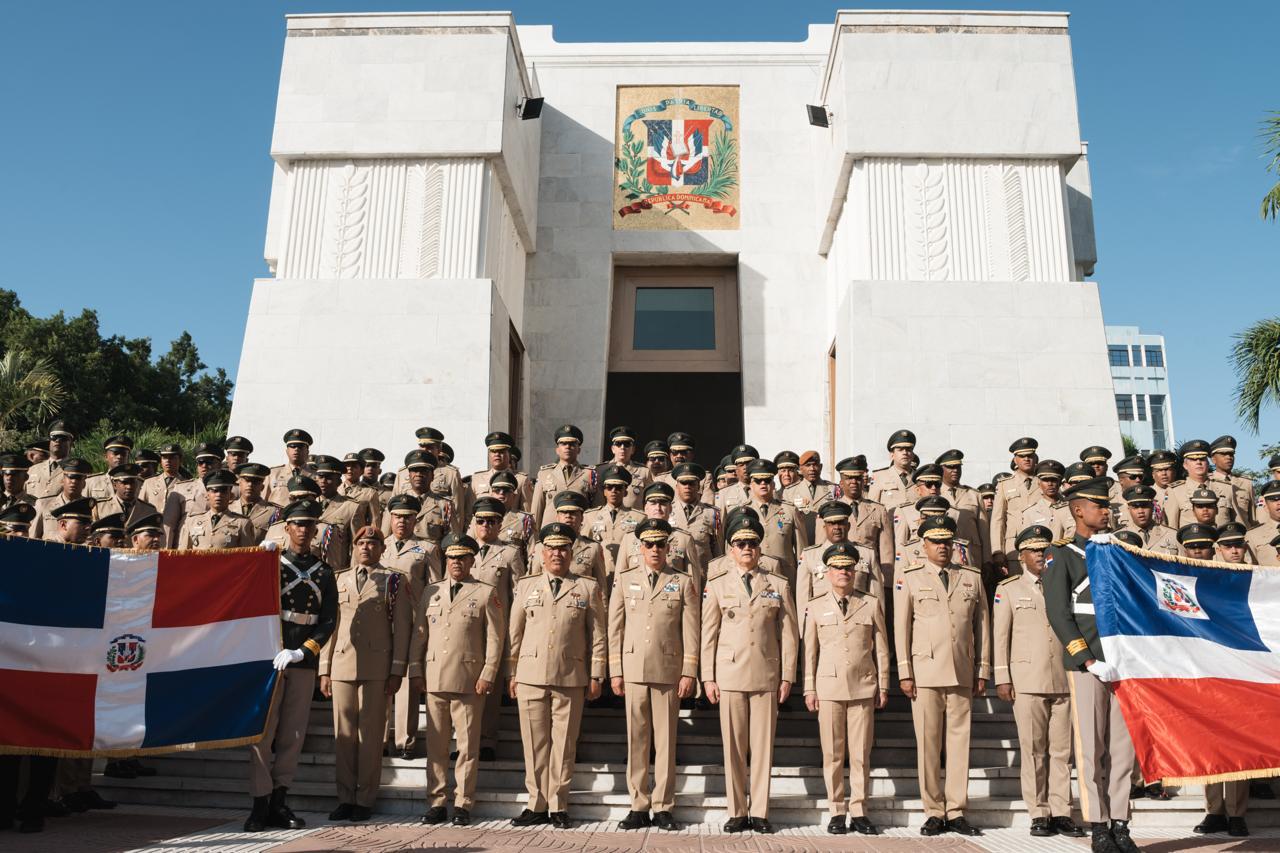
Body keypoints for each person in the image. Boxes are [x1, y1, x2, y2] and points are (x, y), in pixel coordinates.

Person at [1043, 476, 1143, 853]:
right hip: (1087, 664)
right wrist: (1084, 657)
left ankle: (1121, 821)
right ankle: (1098, 824)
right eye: (1099, 506)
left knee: (1123, 747)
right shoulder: (1062, 554)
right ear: (1077, 510)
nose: (1107, 511)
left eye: (1107, 506)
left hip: (1122, 663)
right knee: (1091, 747)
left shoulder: (1116, 551)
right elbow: (1058, 612)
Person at [700, 514, 799, 833]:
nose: (746, 548)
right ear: (730, 549)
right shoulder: (716, 585)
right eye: (740, 543)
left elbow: (789, 634)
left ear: (760, 549)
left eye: (752, 543)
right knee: (733, 745)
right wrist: (708, 677)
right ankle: (737, 810)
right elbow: (708, 633)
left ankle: (759, 811)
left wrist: (787, 676)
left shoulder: (778, 584)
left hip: (766, 673)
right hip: (728, 674)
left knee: (762, 746)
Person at [244, 499, 338, 833]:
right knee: (262, 736)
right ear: (287, 528)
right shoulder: (272, 563)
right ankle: (259, 803)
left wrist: (304, 652)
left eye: (309, 525)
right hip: (269, 658)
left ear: (315, 530)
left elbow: (328, 620)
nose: (303, 529)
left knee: (293, 735)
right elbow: (247, 593)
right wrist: (257, 558)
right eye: (297, 523)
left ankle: (279, 801)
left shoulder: (324, 572)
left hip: (300, 660)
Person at [506, 522, 607, 829]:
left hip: (571, 674)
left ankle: (558, 805)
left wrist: (597, 674)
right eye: (551, 548)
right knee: (534, 743)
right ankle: (536, 803)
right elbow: (515, 633)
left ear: (571, 552)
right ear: (541, 553)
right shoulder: (526, 585)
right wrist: (512, 673)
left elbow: (598, 635)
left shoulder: (587, 587)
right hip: (530, 674)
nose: (557, 554)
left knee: (564, 744)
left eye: (563, 548)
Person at [895, 515, 989, 837]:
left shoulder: (971, 577)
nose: (943, 547)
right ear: (924, 545)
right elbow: (901, 628)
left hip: (962, 669)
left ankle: (957, 809)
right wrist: (905, 671)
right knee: (929, 743)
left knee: (960, 743)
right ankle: (934, 810)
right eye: (936, 542)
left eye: (947, 541)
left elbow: (983, 627)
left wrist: (983, 668)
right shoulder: (910, 577)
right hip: (925, 671)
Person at [607, 519, 699, 831]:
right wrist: (615, 670)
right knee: (637, 740)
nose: (656, 550)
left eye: (661, 544)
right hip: (633, 669)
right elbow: (614, 627)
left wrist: (689, 670)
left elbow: (691, 629)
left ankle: (663, 806)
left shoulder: (683, 580)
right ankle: (638, 804)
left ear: (669, 547)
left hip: (668, 669)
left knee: (666, 740)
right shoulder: (624, 578)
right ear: (641, 548)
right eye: (649, 544)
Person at [993, 526, 1085, 839]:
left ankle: (1062, 810)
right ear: (1021, 556)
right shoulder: (1009, 589)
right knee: (1033, 750)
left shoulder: (1064, 585)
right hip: (1027, 679)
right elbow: (1000, 636)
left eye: (1043, 549)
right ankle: (1039, 811)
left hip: (1063, 676)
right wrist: (1002, 676)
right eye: (1032, 550)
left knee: (1062, 751)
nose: (1039, 555)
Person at [407, 533, 505, 826]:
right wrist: (415, 670)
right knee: (436, 748)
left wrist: (488, 673)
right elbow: (419, 635)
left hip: (468, 679)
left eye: (462, 557)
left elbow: (496, 639)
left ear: (472, 560)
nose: (456, 563)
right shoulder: (431, 592)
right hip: (435, 677)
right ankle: (436, 802)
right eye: (451, 558)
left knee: (466, 747)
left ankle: (463, 802)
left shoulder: (485, 592)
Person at [319, 526, 412, 822]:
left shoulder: (394, 580)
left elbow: (402, 628)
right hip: (343, 664)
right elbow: (331, 626)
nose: (366, 548)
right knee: (343, 735)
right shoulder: (339, 579)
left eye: (373, 543)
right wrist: (325, 668)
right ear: (354, 547)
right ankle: (345, 797)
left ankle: (365, 798)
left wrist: (397, 669)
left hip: (377, 667)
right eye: (361, 543)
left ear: (382, 549)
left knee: (371, 736)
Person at [803, 542, 889, 836]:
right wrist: (809, 689)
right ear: (827, 572)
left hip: (863, 686)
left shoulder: (871, 603)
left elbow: (882, 649)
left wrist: (884, 684)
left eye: (848, 567)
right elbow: (810, 653)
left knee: (861, 754)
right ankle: (837, 810)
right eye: (838, 567)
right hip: (828, 687)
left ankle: (860, 810)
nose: (843, 572)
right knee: (833, 754)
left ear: (856, 571)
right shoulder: (815, 606)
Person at [1189, 522, 1252, 836]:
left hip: (1245, 671)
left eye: (1238, 544)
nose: (1234, 550)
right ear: (1219, 549)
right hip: (1211, 668)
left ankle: (1237, 813)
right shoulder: (1205, 579)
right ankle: (1214, 810)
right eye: (1228, 545)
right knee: (1210, 743)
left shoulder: (1258, 578)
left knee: (1238, 743)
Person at [468, 497, 525, 761]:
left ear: (500, 524)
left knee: (489, 688)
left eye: (492, 521)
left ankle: (487, 739)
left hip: (495, 626)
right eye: (481, 520)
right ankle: (466, 738)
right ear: (473, 522)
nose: (486, 525)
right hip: (466, 626)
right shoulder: (463, 550)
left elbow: (518, 594)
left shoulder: (510, 552)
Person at [526, 491, 608, 589]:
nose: (568, 516)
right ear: (557, 516)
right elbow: (533, 581)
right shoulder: (541, 547)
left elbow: (601, 588)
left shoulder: (593, 548)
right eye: (563, 512)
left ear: (582, 517)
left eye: (573, 513)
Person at [528, 425, 597, 531]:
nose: (567, 447)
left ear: (579, 449)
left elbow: (596, 509)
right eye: (563, 443)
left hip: (580, 534)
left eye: (572, 444)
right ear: (557, 449)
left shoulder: (589, 474)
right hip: (550, 534)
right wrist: (536, 540)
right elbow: (537, 510)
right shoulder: (545, 473)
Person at [582, 464, 644, 577]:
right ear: (604, 492)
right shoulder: (590, 516)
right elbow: (584, 548)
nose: (614, 491)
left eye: (619, 487)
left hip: (627, 575)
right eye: (609, 487)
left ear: (625, 492)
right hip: (599, 574)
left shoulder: (639, 518)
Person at [990, 437, 1041, 573]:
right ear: (1015, 460)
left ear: (1036, 458)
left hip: (1041, 544)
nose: (1026, 459)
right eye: (1022, 456)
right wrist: (997, 551)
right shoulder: (1004, 485)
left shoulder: (1045, 482)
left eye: (1030, 455)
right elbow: (997, 520)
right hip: (1014, 549)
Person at [1164, 440, 1235, 529]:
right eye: (1193, 459)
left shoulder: (1226, 488)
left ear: (1208, 463)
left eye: (1202, 459)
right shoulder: (1175, 491)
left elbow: (1236, 522)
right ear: (1185, 465)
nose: (1198, 462)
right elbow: (1172, 528)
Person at [177, 470, 256, 549]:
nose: (218, 495)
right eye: (214, 491)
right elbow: (183, 554)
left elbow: (247, 557)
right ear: (207, 495)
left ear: (231, 495)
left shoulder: (242, 523)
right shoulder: (192, 521)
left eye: (223, 491)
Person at [669, 462, 721, 570]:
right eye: (684, 483)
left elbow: (718, 549)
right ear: (676, 487)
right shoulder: (667, 511)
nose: (687, 487)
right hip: (675, 576)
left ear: (698, 486)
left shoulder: (712, 513)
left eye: (692, 483)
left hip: (704, 575)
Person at [468, 431, 533, 513]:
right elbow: (469, 513)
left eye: (501, 451)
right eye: (493, 451)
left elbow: (527, 514)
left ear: (508, 454)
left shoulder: (521, 480)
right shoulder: (477, 479)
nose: (497, 454)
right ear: (489, 454)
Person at [32, 458, 91, 541]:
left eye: (78, 478)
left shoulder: (90, 506)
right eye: (70, 477)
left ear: (84, 483)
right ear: (62, 481)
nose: (73, 481)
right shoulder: (43, 504)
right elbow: (33, 537)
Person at [1116, 486, 1179, 555]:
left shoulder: (1172, 535)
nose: (1140, 511)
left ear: (1152, 507)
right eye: (1135, 507)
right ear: (1128, 509)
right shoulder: (1117, 538)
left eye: (1144, 506)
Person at [1208, 435, 1255, 527]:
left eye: (1231, 454)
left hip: (1245, 537)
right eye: (1223, 454)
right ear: (1213, 459)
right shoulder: (1208, 483)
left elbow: (1252, 517)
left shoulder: (1245, 483)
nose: (1229, 457)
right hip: (1219, 537)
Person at [867, 429, 917, 513]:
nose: (905, 453)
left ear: (913, 455)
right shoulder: (879, 476)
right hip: (890, 524)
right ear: (892, 455)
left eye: (908, 449)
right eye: (900, 450)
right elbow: (872, 508)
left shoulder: (919, 477)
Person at [603, 425, 653, 509]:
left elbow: (650, 499)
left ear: (633, 449)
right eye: (618, 444)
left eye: (627, 444)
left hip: (635, 519)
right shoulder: (602, 469)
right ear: (613, 449)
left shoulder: (643, 471)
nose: (622, 447)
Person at [25, 420, 75, 498]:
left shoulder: (77, 471)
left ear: (71, 443)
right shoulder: (31, 470)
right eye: (54, 437)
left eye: (63, 438)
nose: (57, 441)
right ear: (49, 441)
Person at [266, 429, 317, 506]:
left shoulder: (316, 474)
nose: (296, 449)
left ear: (307, 451)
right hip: (279, 517)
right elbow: (262, 502)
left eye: (300, 446)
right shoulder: (272, 474)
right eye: (292, 446)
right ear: (287, 451)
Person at [234, 462, 281, 543]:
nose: (250, 485)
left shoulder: (274, 512)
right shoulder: (228, 508)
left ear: (262, 487)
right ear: (239, 483)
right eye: (247, 480)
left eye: (255, 482)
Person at [84, 434, 133, 501]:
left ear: (128, 457)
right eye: (115, 453)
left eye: (123, 454)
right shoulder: (91, 483)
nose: (119, 457)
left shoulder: (137, 484)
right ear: (106, 457)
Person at [1246, 481, 1280, 565]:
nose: (1279, 503)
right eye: (1274, 500)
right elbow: (1251, 570)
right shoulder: (1253, 535)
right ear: (1266, 507)